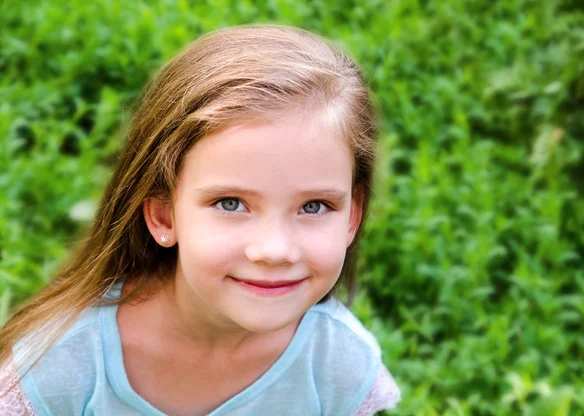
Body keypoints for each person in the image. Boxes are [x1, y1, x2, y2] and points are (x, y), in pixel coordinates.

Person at [0, 24, 400, 415]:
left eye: (314, 206)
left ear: (352, 216)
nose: (275, 250)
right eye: (230, 203)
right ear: (163, 215)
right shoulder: (58, 369)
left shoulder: (341, 367)